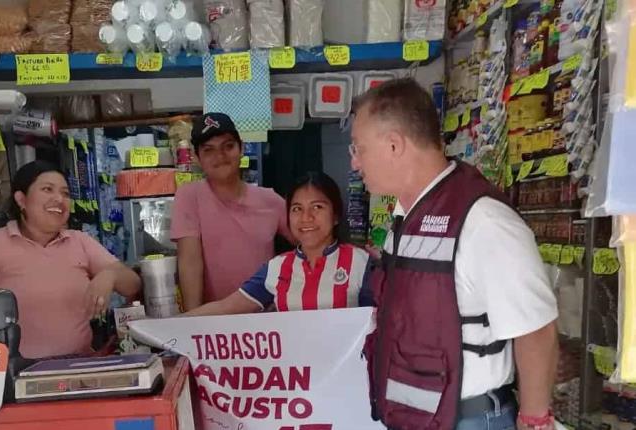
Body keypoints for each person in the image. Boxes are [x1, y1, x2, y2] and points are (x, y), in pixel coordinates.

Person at [350, 79, 558, 430]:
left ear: (394, 145)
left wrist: (534, 419)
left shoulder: (483, 222)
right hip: (420, 418)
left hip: (471, 419)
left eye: (359, 149)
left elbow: (535, 330)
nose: (355, 163)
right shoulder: (405, 216)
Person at [0, 161, 141, 359]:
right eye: (47, 189)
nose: (59, 199)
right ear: (21, 199)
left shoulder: (79, 241)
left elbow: (133, 285)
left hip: (79, 367)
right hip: (17, 374)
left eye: (65, 193)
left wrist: (109, 275)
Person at [184, 172, 373, 316]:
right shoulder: (277, 267)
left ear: (336, 216)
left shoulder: (361, 263)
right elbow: (225, 307)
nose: (306, 218)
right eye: (297, 209)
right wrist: (165, 327)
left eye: (317, 207)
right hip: (294, 368)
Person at [171, 113, 292, 311]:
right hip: (213, 324)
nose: (220, 156)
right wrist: (193, 323)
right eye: (209, 150)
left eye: (228, 146)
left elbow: (308, 240)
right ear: (196, 157)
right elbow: (190, 262)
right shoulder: (189, 196)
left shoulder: (270, 200)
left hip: (265, 324)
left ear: (241, 148)